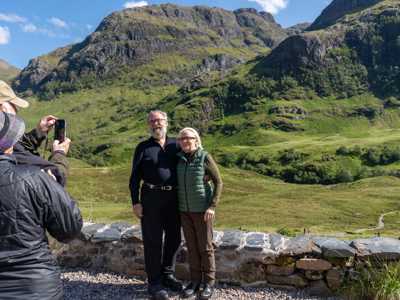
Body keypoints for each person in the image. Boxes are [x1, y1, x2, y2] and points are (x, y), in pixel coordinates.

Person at [0, 111, 83, 300]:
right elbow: (69, 229)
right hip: (35, 284)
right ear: (9, 145)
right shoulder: (35, 178)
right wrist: (54, 187)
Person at [129, 110, 183, 300]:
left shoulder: (177, 144)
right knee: (152, 241)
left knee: (174, 237)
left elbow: (194, 160)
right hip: (150, 198)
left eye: (158, 120)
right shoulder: (143, 147)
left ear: (166, 122)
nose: (155, 124)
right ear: (149, 125)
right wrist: (135, 202)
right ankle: (154, 282)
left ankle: (168, 274)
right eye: (152, 121)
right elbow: (134, 177)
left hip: (174, 199)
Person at [176, 127, 223, 300]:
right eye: (181, 139)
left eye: (188, 138)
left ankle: (209, 283)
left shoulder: (204, 157)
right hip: (184, 211)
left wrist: (212, 206)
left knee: (206, 248)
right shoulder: (179, 159)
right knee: (192, 247)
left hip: (203, 211)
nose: (185, 141)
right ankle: (195, 281)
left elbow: (218, 182)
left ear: (196, 140)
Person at [0, 80, 70, 186]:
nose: (16, 109)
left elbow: (18, 148)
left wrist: (38, 133)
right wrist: (59, 154)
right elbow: (51, 185)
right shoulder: (4, 156)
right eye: (12, 104)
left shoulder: (5, 143)